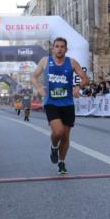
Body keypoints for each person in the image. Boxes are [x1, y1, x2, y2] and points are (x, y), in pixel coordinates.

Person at [31, 37, 90, 175]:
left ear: (66, 49)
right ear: (53, 48)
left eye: (62, 46)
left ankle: (61, 162)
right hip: (51, 102)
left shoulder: (72, 62)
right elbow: (33, 77)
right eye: (57, 46)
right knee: (58, 132)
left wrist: (78, 87)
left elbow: (85, 78)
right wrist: (39, 88)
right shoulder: (45, 61)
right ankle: (53, 146)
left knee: (66, 136)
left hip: (67, 103)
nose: (59, 49)